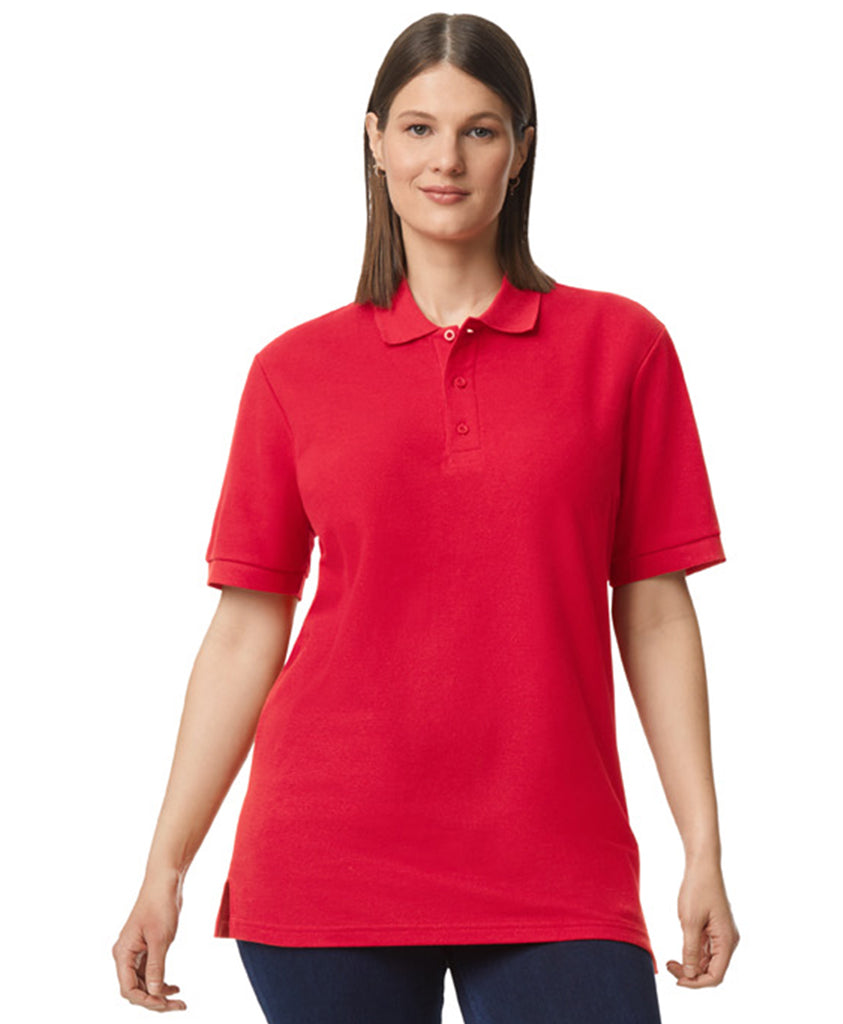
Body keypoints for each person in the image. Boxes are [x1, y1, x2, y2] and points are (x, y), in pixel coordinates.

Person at [112, 11, 739, 1021]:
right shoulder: (292, 372)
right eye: (417, 128)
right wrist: (165, 868)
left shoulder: (623, 349)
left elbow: (656, 609)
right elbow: (244, 629)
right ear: (374, 141)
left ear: (520, 150)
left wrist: (702, 847)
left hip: (557, 857)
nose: (445, 159)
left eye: (478, 130)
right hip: (328, 856)